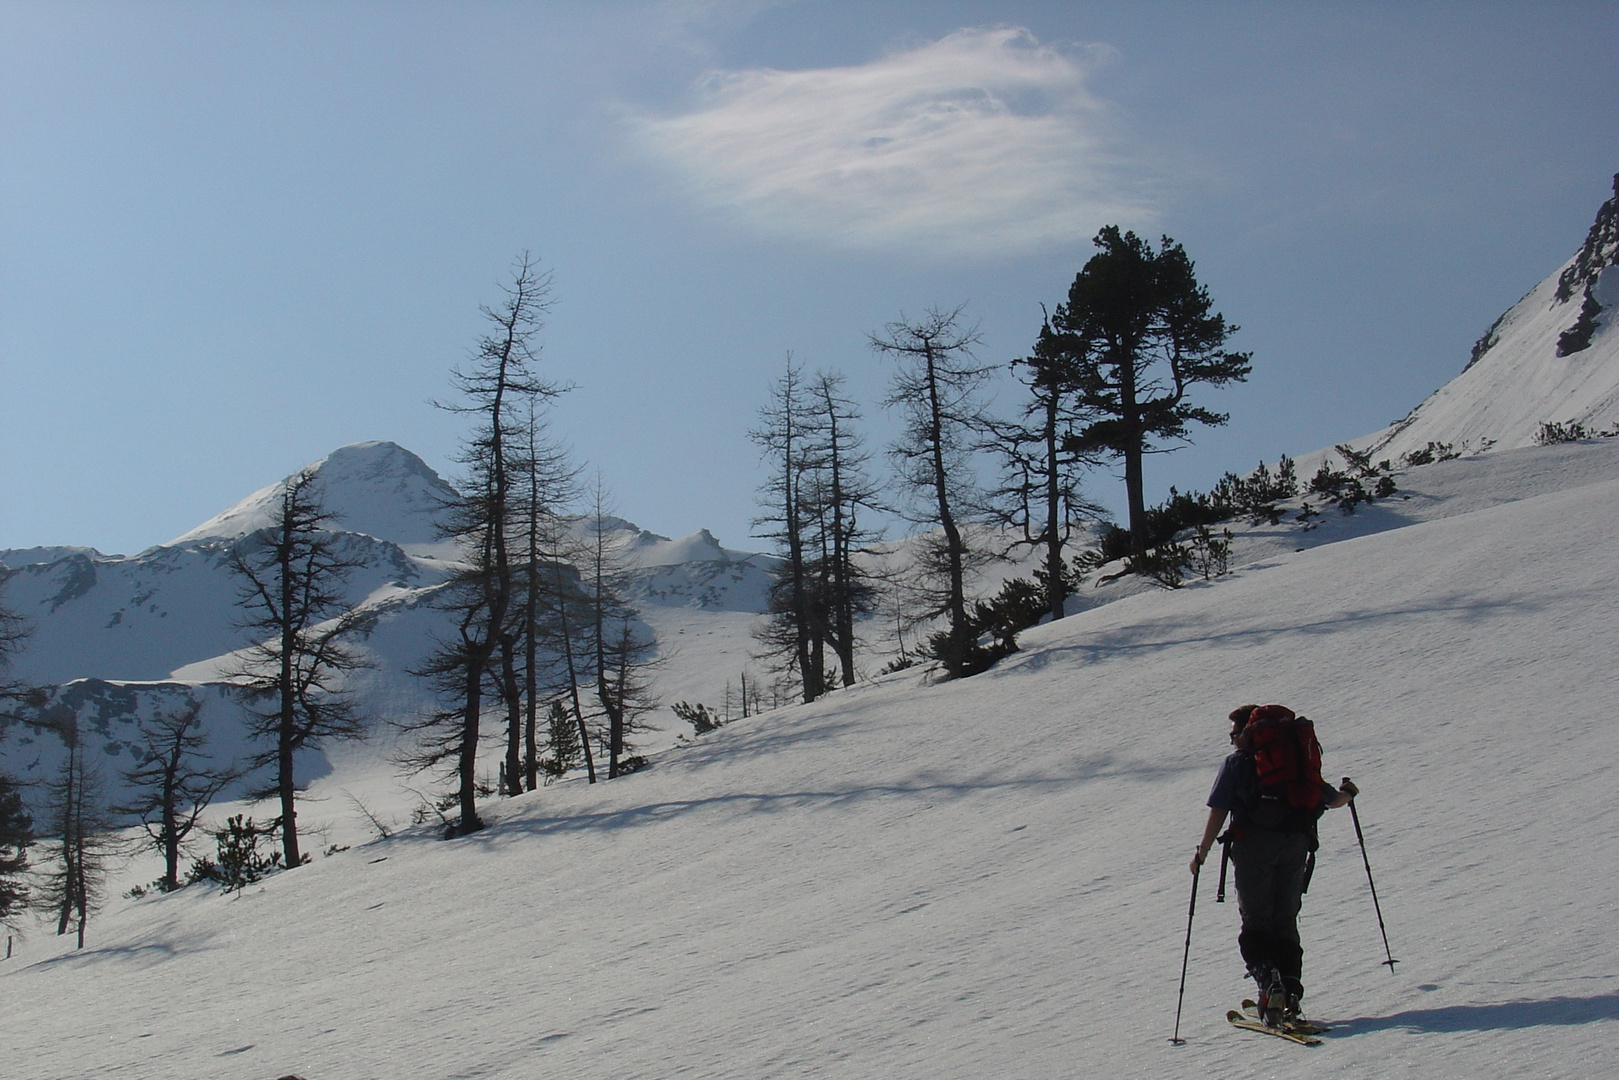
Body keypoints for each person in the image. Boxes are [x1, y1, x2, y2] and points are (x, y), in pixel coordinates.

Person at [1190, 704, 1357, 1026]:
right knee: (1285, 921)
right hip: (1296, 844)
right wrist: (1348, 793)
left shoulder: (1238, 763)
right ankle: (1291, 991)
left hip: (1254, 846)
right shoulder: (1297, 763)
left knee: (1256, 922)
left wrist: (1203, 852)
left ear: (1246, 733)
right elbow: (1332, 799)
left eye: (1233, 734)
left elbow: (1219, 809)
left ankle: (1270, 986)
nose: (1231, 740)